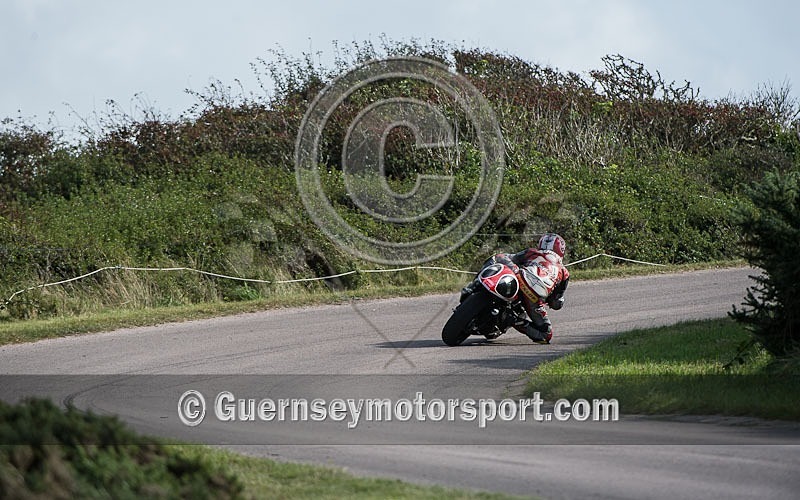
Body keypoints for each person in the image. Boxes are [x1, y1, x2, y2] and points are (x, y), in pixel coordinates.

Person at [462, 233, 570, 344]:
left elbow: (506, 257)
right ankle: (514, 320)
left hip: (520, 278)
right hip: (534, 298)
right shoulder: (564, 272)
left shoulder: (533, 252)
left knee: (495, 259)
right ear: (561, 250)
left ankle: (473, 286)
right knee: (545, 334)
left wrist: (513, 267)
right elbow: (556, 303)